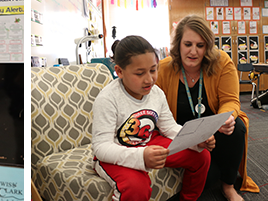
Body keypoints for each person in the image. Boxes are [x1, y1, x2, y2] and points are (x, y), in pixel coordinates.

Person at [92, 35, 215, 201]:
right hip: (116, 150)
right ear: (120, 71)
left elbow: (169, 127)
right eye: (140, 73)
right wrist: (141, 156)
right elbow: (101, 148)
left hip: (147, 141)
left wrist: (195, 139)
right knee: (136, 187)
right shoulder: (108, 98)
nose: (149, 79)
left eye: (153, 69)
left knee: (201, 155)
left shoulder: (156, 93)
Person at [156, 15, 260, 201]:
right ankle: (214, 170)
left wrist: (224, 118)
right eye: (188, 44)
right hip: (181, 134)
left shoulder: (222, 62)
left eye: (200, 45)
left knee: (236, 126)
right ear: (178, 44)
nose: (193, 51)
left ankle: (228, 187)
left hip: (214, 130)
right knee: (209, 178)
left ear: (208, 47)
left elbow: (231, 100)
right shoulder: (163, 69)